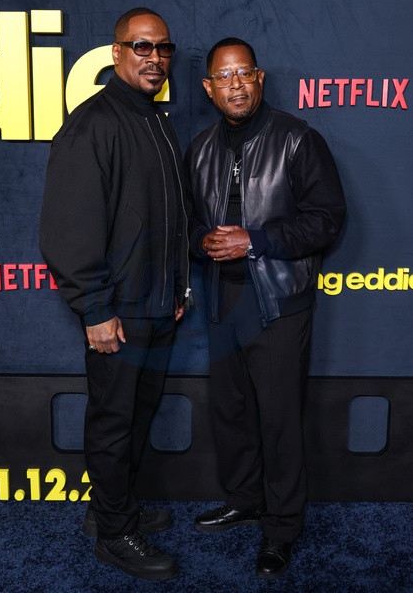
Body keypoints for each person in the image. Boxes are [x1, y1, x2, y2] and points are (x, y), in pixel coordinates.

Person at [185, 38, 346, 580]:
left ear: (259, 79)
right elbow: (188, 221)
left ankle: (281, 527)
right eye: (223, 77)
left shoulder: (297, 139)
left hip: (277, 301)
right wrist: (201, 241)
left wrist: (254, 241)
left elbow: (327, 219)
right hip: (222, 299)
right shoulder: (200, 148)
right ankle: (244, 499)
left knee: (279, 420)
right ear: (209, 88)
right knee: (231, 413)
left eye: (243, 73)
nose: (234, 84)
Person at [40, 8, 189, 582]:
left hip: (157, 303)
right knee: (113, 421)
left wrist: (175, 286)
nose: (154, 58)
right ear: (116, 52)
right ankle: (113, 535)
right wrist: (96, 309)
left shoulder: (156, 120)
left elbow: (167, 216)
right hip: (118, 312)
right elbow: (69, 229)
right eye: (142, 47)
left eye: (163, 48)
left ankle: (110, 508)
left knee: (137, 416)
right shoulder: (94, 123)